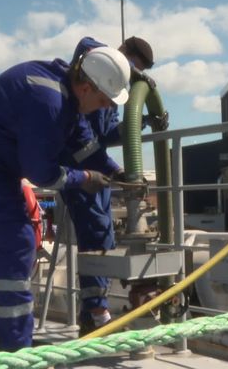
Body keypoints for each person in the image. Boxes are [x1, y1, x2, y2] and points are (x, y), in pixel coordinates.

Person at [0, 45, 131, 351]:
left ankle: (6, 339)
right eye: (103, 100)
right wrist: (84, 179)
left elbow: (84, 145)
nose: (103, 107)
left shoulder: (67, 95)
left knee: (7, 247)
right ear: (86, 87)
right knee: (16, 243)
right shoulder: (49, 101)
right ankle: (16, 348)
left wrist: (115, 171)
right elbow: (42, 173)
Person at [60, 36, 160, 336]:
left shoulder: (117, 90)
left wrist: (140, 120)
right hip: (79, 163)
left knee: (103, 233)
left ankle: (94, 310)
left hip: (97, 164)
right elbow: (85, 43)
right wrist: (129, 68)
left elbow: (105, 133)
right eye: (131, 66)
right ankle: (96, 313)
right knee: (96, 232)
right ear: (122, 54)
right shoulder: (93, 62)